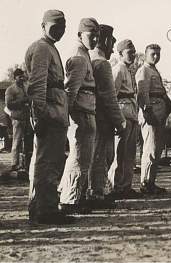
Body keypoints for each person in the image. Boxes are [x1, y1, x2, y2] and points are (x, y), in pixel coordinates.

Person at [25, 9, 74, 224]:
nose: (60, 31)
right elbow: (37, 86)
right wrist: (40, 116)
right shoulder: (42, 48)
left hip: (56, 111)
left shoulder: (50, 47)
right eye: (55, 27)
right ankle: (44, 211)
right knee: (46, 163)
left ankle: (44, 206)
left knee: (51, 162)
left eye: (62, 27)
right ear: (43, 26)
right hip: (49, 113)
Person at [58, 18, 100, 214]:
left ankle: (74, 196)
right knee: (78, 157)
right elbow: (70, 91)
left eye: (97, 36)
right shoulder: (79, 56)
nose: (95, 39)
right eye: (91, 35)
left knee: (82, 158)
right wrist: (69, 117)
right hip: (80, 113)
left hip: (85, 111)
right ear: (80, 34)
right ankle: (70, 200)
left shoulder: (83, 54)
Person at [88, 24, 126, 208]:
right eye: (111, 39)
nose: (113, 44)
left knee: (95, 156)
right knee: (102, 157)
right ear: (104, 40)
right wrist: (120, 122)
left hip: (93, 114)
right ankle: (97, 194)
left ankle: (95, 192)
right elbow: (109, 98)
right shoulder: (102, 63)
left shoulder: (91, 58)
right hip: (102, 118)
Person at [136, 44, 171, 194]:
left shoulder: (154, 70)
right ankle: (145, 183)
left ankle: (151, 182)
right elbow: (142, 94)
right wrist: (147, 112)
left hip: (160, 111)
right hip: (151, 112)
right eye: (153, 54)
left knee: (156, 149)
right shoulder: (143, 70)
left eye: (158, 54)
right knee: (150, 148)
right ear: (145, 55)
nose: (156, 56)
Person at [109, 39, 142, 199]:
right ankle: (116, 187)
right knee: (119, 153)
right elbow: (112, 96)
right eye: (130, 52)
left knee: (129, 154)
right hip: (122, 112)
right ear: (120, 53)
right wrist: (116, 119)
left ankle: (125, 186)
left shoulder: (129, 71)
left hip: (131, 113)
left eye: (134, 52)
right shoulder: (118, 70)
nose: (133, 55)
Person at [5, 68, 33, 178]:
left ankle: (26, 164)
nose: (21, 78)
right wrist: (23, 101)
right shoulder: (10, 89)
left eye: (22, 76)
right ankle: (14, 164)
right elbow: (9, 105)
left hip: (27, 118)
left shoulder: (26, 87)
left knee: (27, 142)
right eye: (19, 76)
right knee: (16, 141)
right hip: (17, 118)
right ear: (14, 77)